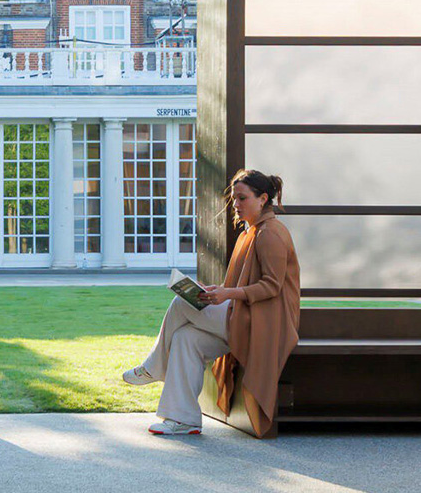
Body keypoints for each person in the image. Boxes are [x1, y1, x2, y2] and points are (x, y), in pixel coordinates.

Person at [121, 169, 300, 436]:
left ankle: (154, 367)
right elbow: (242, 285)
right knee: (185, 338)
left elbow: (272, 287)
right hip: (243, 317)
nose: (236, 205)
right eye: (234, 199)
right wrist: (217, 291)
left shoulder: (270, 234)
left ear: (263, 199)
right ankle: (183, 419)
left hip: (263, 325)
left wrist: (227, 295)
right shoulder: (249, 234)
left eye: (242, 199)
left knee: (183, 305)